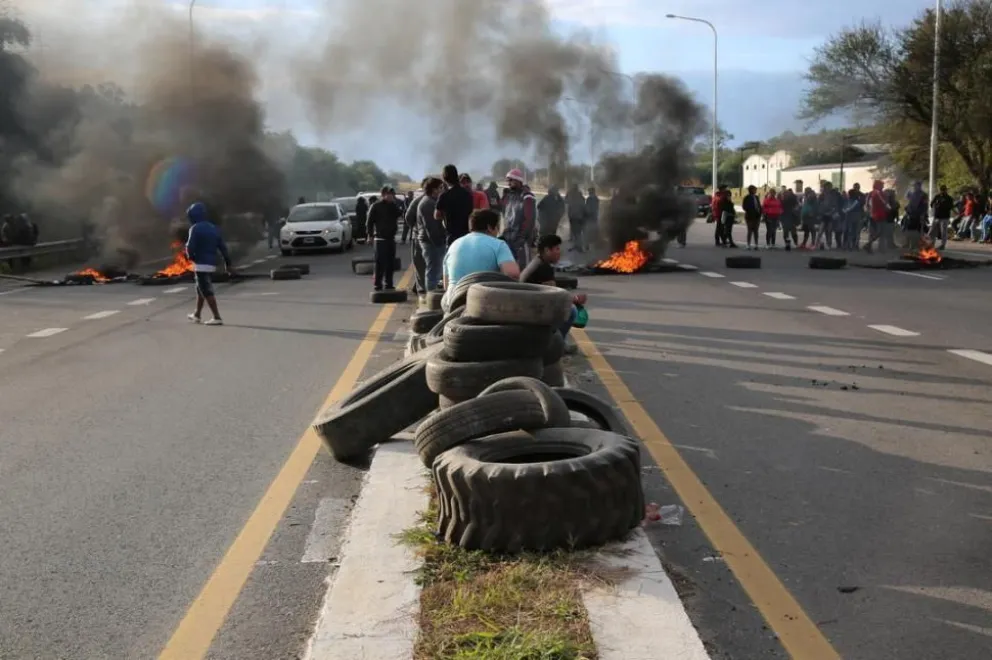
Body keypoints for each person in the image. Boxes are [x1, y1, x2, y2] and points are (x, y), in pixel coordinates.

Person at [521, 234, 587, 339]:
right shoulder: (544, 267)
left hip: (529, 302)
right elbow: (555, 296)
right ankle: (556, 343)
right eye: (557, 249)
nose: (559, 252)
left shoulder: (537, 260)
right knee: (571, 310)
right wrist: (575, 299)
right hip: (531, 308)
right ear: (547, 250)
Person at [442, 208, 521, 296]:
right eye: (497, 228)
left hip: (453, 300)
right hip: (483, 301)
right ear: (490, 228)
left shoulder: (454, 245)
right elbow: (513, 274)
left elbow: (446, 285)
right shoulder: (498, 244)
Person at [185, 202, 233, 326]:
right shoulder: (213, 228)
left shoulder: (194, 228)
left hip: (201, 264)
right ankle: (197, 314)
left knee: (206, 291)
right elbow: (223, 247)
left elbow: (190, 247)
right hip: (211, 264)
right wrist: (228, 263)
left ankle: (217, 317)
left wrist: (191, 257)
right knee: (200, 288)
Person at [366, 185, 402, 291]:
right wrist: (370, 235)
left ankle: (389, 284)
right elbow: (369, 222)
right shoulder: (376, 206)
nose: (391, 196)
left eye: (392, 195)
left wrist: (398, 205)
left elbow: (400, 214)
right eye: (389, 194)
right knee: (380, 263)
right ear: (383, 195)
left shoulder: (393, 206)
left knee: (390, 263)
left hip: (391, 238)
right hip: (380, 239)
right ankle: (378, 284)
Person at [500, 168, 537, 267]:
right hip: (508, 237)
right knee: (509, 267)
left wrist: (522, 236)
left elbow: (529, 218)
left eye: (511, 180)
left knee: (524, 268)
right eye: (508, 180)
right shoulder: (508, 196)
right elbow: (505, 216)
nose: (509, 183)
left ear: (518, 180)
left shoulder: (527, 196)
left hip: (521, 239)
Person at [418, 177, 447, 292]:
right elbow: (431, 227)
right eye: (440, 188)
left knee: (435, 271)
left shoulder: (432, 201)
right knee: (433, 272)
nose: (442, 190)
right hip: (432, 243)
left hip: (433, 241)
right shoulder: (428, 203)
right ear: (434, 189)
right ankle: (432, 298)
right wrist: (439, 244)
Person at [435, 164, 474, 247]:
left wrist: (445, 217)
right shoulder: (468, 194)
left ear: (444, 178)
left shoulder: (444, 195)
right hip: (466, 234)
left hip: (452, 236)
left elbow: (436, 215)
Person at [405, 178, 430, 297]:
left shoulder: (438, 200)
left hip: (431, 239)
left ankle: (422, 287)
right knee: (420, 264)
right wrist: (416, 230)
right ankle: (422, 290)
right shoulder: (418, 202)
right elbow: (408, 218)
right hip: (421, 238)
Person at [864, 180, 889, 253]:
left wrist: (868, 212)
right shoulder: (882, 194)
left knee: (873, 232)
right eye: (882, 185)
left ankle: (869, 246)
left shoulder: (870, 193)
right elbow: (885, 204)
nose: (883, 186)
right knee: (880, 232)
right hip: (880, 215)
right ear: (878, 186)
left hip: (872, 215)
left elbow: (867, 204)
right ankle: (871, 246)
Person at [929, 184, 954, 249]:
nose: (942, 191)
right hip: (937, 216)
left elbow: (950, 207)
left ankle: (943, 245)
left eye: (944, 190)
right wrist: (936, 205)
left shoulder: (949, 198)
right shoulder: (937, 196)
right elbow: (931, 204)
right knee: (932, 231)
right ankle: (931, 244)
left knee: (943, 232)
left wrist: (942, 205)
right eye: (941, 190)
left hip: (945, 217)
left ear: (946, 190)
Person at [844, 183, 866, 251]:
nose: (856, 188)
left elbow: (863, 205)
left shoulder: (861, 195)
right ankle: (851, 245)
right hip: (854, 214)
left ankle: (854, 245)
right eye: (855, 187)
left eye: (857, 187)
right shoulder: (853, 195)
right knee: (852, 231)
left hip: (856, 214)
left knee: (855, 231)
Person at [565, 183, 586, 252]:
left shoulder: (570, 193)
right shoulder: (579, 194)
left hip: (574, 215)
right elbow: (583, 203)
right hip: (578, 215)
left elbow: (566, 201)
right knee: (577, 231)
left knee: (576, 232)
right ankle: (577, 245)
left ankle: (579, 247)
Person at [779, 185, 799, 250]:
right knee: (788, 232)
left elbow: (796, 206)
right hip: (786, 216)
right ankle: (790, 244)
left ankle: (791, 244)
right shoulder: (782, 198)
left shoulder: (789, 198)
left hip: (789, 216)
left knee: (790, 232)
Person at [742, 185, 762, 249]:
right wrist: (750, 211)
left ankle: (756, 244)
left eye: (755, 189)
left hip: (757, 216)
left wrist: (760, 212)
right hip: (749, 216)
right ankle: (748, 244)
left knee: (756, 231)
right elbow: (744, 207)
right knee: (750, 230)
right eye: (754, 189)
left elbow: (759, 205)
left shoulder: (756, 197)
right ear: (751, 190)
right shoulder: (746, 197)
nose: (755, 191)